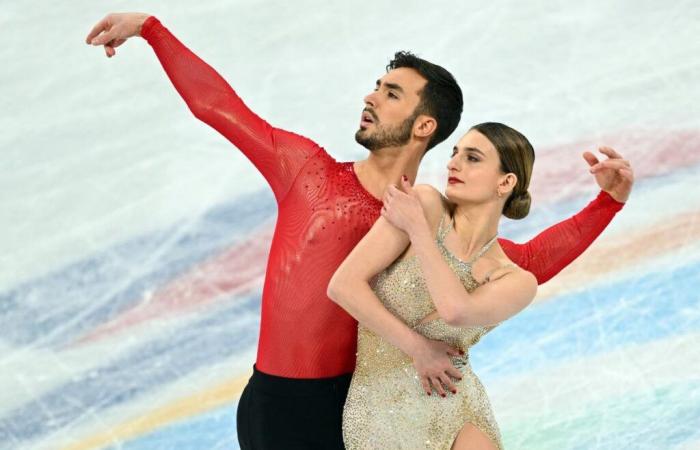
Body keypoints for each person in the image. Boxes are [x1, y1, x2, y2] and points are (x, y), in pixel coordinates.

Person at [86, 13, 633, 450]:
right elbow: (219, 108)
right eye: (377, 87)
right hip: (277, 406)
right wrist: (153, 32)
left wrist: (606, 204)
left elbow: (528, 259)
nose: (371, 97)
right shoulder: (308, 173)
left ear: (425, 126)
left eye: (392, 93)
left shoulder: (433, 220)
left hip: (363, 415)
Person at [328, 123, 633, 449]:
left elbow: (456, 310)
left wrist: (418, 232)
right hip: (379, 405)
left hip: (453, 397)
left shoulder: (514, 279)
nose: (453, 163)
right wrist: (418, 348)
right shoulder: (426, 204)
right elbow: (343, 285)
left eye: (472, 158)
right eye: (455, 153)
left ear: (505, 182)